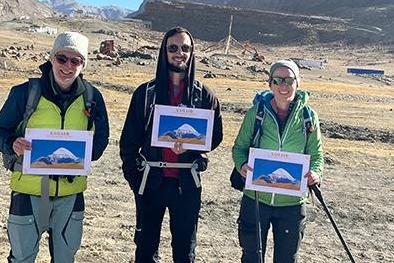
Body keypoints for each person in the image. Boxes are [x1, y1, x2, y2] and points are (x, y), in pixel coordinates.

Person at [0, 32, 109, 263]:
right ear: (52, 58)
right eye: (62, 58)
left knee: (65, 258)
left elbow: (100, 142)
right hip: (28, 191)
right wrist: (11, 144)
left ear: (83, 64)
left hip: (70, 194)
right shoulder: (25, 93)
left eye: (75, 61)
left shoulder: (93, 97)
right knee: (22, 258)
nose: (67, 66)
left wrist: (82, 154)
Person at [120, 26, 223, 263]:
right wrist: (135, 180)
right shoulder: (145, 94)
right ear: (164, 52)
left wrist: (193, 147)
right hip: (151, 183)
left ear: (192, 52)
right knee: (145, 250)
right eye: (173, 48)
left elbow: (215, 136)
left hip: (186, 186)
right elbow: (128, 142)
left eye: (185, 48)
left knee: (185, 251)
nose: (180, 53)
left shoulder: (204, 96)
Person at [232, 59, 324, 263]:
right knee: (252, 258)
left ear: (297, 83)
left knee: (287, 259)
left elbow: (316, 154)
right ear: (270, 83)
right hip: (256, 199)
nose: (284, 86)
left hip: (292, 203)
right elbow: (239, 148)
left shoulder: (309, 117)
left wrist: (316, 173)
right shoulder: (256, 114)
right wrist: (242, 166)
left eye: (289, 80)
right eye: (278, 80)